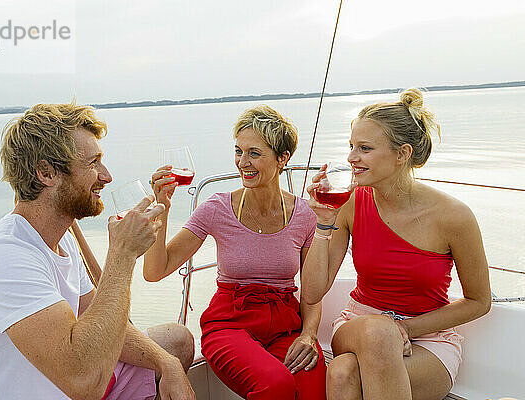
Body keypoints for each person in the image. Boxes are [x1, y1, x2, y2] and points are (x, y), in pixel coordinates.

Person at [0, 102, 196, 400]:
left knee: (175, 343)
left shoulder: (61, 240)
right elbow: (84, 382)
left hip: (64, 384)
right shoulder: (3, 257)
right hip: (74, 384)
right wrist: (121, 256)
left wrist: (166, 362)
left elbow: (106, 324)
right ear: (46, 172)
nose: (107, 176)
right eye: (93, 163)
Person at [301, 88, 492, 400]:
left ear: (402, 154)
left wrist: (406, 329)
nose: (351, 158)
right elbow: (311, 293)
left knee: (341, 373)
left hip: (430, 336)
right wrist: (323, 223)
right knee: (378, 332)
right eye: (351, 146)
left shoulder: (454, 216)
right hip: (357, 325)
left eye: (364, 148)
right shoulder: (349, 203)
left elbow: (478, 301)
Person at [144, 105, 327, 400]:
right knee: (276, 385)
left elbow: (312, 292)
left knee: (313, 387)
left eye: (254, 153)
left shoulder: (305, 215)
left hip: (286, 326)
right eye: (238, 151)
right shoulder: (217, 208)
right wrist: (162, 207)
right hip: (229, 324)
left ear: (283, 158)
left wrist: (309, 334)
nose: (243, 162)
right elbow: (155, 270)